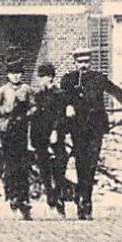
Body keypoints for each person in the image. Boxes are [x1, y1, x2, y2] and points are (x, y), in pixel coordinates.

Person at [61, 45, 122, 219]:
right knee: (81, 163)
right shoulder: (68, 80)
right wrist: (67, 106)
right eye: (80, 62)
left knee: (92, 163)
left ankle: (86, 201)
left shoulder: (98, 78)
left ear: (90, 62)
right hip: (78, 128)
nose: (84, 65)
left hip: (96, 128)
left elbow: (116, 91)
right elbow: (62, 97)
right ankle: (81, 198)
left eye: (86, 61)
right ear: (75, 62)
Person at [0, 58, 35, 219]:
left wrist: (27, 113)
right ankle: (12, 196)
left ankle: (24, 198)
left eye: (19, 73)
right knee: (10, 164)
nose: (16, 76)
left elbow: (34, 106)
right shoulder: (3, 90)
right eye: (13, 73)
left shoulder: (27, 89)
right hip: (7, 130)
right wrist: (5, 110)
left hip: (22, 130)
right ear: (8, 75)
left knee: (22, 165)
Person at [30, 62, 71, 216]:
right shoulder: (38, 95)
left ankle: (58, 193)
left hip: (55, 135)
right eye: (40, 77)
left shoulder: (59, 94)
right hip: (40, 136)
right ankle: (50, 194)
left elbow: (61, 115)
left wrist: (55, 130)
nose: (40, 80)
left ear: (50, 78)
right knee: (43, 166)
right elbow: (35, 117)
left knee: (61, 163)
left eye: (43, 77)